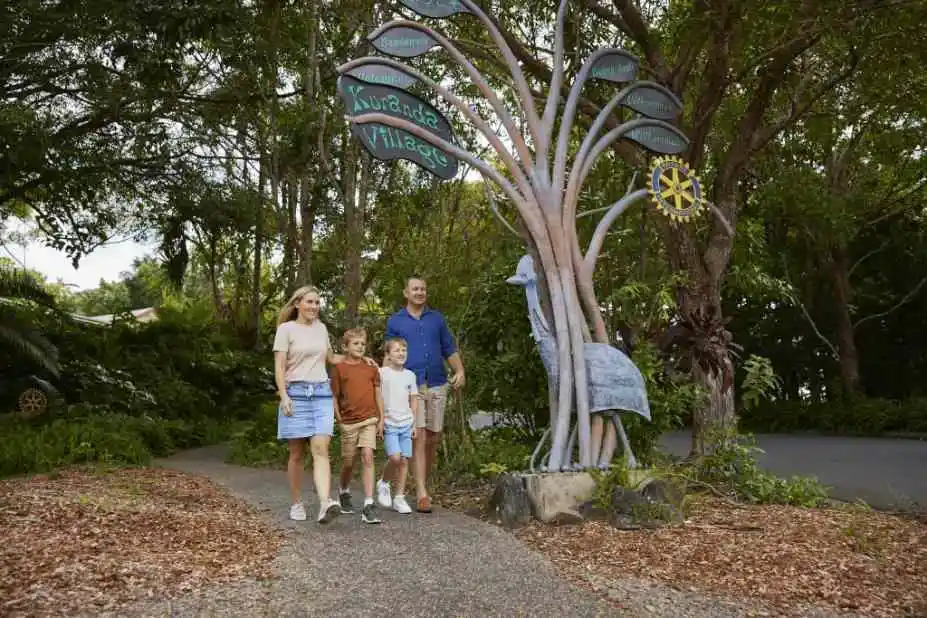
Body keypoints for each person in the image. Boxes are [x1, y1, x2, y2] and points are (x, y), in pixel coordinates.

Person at [273, 285, 374, 523]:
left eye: (317, 303)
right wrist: (284, 395)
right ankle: (297, 503)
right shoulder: (286, 329)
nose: (314, 307)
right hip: (295, 393)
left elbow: (330, 358)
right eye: (310, 302)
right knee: (297, 452)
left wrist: (357, 359)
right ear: (297, 304)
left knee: (321, 449)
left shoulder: (321, 329)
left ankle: (324, 503)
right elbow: (279, 366)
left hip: (321, 393)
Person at [385, 276, 464, 513]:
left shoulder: (436, 319)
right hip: (411, 386)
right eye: (415, 289)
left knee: (433, 437)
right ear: (406, 293)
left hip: (437, 382)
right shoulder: (396, 321)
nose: (420, 292)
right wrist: (384, 382)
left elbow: (448, 347)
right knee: (418, 436)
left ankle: (422, 483)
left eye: (423, 289)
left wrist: (459, 370)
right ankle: (421, 491)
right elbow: (389, 354)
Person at [330, 327, 384, 524]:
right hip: (348, 422)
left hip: (369, 419)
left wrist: (381, 419)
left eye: (362, 344)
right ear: (345, 347)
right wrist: (339, 420)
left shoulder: (371, 368)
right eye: (356, 343)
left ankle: (369, 504)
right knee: (348, 462)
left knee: (368, 456)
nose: (360, 347)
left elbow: (378, 394)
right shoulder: (339, 369)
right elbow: (334, 397)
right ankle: (343, 490)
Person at [375, 337, 419, 514]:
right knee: (395, 457)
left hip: (406, 423)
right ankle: (384, 482)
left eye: (404, 350)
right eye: (396, 350)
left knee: (404, 460)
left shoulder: (410, 375)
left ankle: (399, 497)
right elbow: (377, 396)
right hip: (389, 422)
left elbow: (414, 400)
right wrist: (379, 419)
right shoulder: (381, 373)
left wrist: (414, 423)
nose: (401, 353)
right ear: (388, 355)